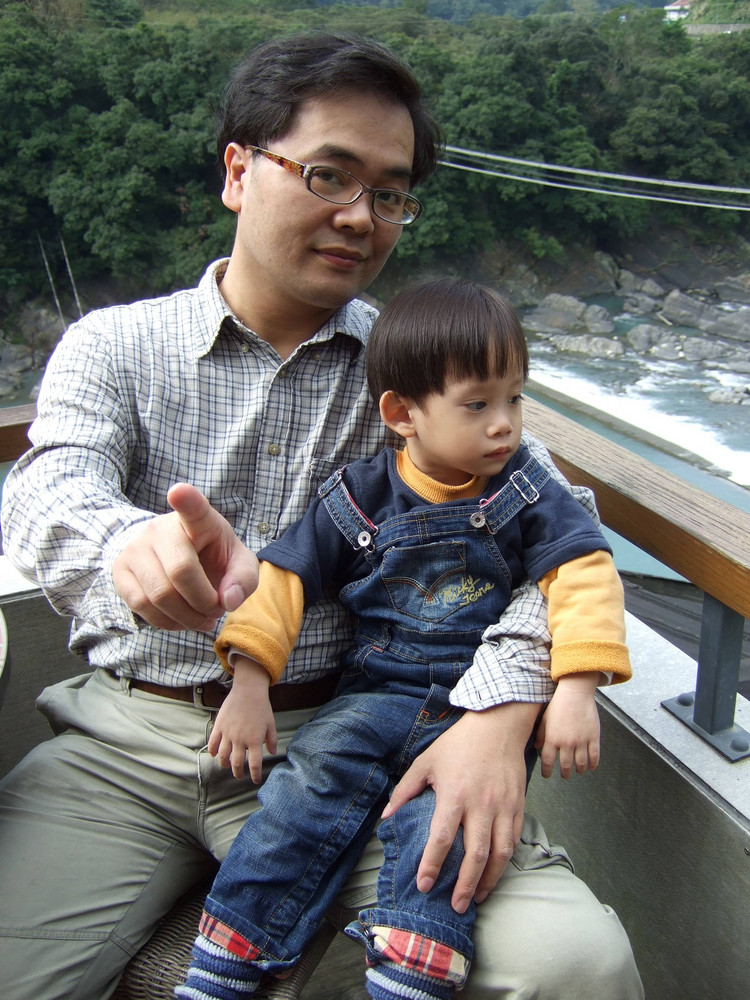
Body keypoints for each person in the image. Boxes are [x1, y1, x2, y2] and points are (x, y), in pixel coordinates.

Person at [0, 31, 643, 1000]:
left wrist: (496, 710)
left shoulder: (417, 373)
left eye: (389, 195)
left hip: (348, 741)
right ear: (238, 171)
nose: (359, 216)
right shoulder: (115, 346)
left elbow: (563, 536)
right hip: (124, 743)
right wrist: (128, 542)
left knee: (576, 966)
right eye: (329, 175)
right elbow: (47, 489)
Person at [177, 278, 633, 1000]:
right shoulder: (359, 496)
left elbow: (585, 575)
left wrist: (577, 688)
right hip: (372, 695)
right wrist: (250, 682)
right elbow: (283, 580)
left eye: (515, 398)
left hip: (471, 708)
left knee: (443, 830)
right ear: (402, 414)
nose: (505, 425)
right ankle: (229, 955)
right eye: (477, 404)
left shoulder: (526, 491)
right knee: (302, 795)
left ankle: (414, 970)